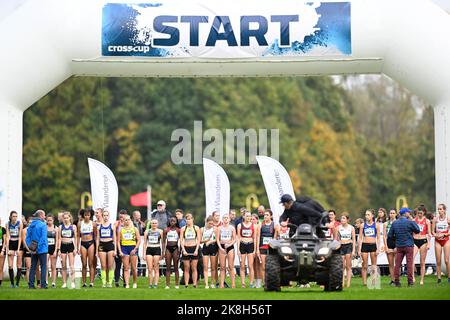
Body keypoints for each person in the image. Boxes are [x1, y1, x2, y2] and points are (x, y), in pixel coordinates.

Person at [387, 207, 420, 287]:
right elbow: (418, 230)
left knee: (397, 264)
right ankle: (410, 282)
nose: (409, 213)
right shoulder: (409, 222)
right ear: (405, 214)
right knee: (409, 264)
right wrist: (413, 220)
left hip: (399, 246)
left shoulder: (395, 223)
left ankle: (397, 282)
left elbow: (390, 235)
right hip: (409, 245)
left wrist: (396, 240)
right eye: (408, 212)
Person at [26, 210, 48, 289]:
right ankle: (43, 285)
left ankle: (31, 285)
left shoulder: (31, 225)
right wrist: (38, 247)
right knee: (43, 267)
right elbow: (43, 238)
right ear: (41, 215)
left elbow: (27, 238)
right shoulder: (43, 225)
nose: (45, 217)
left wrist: (31, 247)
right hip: (42, 249)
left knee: (33, 267)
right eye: (44, 215)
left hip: (33, 250)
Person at [256, 209, 278, 289]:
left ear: (271, 216)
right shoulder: (260, 225)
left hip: (271, 248)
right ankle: (265, 282)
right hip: (262, 247)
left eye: (267, 215)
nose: (265, 216)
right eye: (265, 215)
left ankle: (271, 282)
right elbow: (258, 237)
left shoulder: (274, 225)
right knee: (263, 266)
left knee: (271, 267)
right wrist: (257, 249)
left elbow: (275, 238)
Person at [358, 209, 380, 286]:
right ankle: (364, 283)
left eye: (368, 215)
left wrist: (378, 248)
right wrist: (359, 249)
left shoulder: (376, 225)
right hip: (365, 245)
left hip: (373, 245)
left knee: (374, 265)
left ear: (372, 216)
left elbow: (378, 238)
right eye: (366, 215)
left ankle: (374, 282)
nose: (366, 216)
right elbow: (360, 238)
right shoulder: (362, 225)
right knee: (364, 265)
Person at [118, 214, 141, 288]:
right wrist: (120, 251)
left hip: (132, 248)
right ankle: (127, 284)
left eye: (128, 219)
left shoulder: (134, 229)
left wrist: (135, 249)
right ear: (123, 221)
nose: (127, 221)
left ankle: (134, 282)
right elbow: (118, 242)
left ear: (130, 220)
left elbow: (139, 240)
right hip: (124, 248)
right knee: (126, 268)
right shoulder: (121, 230)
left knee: (134, 268)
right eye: (125, 220)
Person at [77, 208, 97, 287]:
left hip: (91, 243)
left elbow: (95, 236)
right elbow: (78, 236)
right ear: (83, 215)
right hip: (83, 244)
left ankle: (91, 282)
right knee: (84, 264)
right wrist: (77, 247)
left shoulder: (93, 224)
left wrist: (96, 246)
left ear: (91, 216)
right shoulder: (80, 224)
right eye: (85, 215)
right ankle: (84, 282)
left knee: (91, 263)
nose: (87, 217)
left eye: (88, 215)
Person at [96, 210, 116, 288]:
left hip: (110, 245)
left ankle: (109, 282)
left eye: (107, 215)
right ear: (102, 216)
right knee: (103, 265)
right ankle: (104, 283)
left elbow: (114, 238)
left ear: (109, 216)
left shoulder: (112, 226)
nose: (105, 217)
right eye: (104, 215)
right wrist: (97, 250)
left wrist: (115, 250)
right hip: (102, 245)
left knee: (110, 266)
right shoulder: (99, 226)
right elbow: (97, 238)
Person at [412, 204, 432, 285]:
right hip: (415, 240)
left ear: (423, 213)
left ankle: (421, 280)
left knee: (422, 262)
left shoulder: (427, 221)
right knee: (411, 259)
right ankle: (413, 277)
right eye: (418, 213)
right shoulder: (414, 220)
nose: (419, 214)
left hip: (423, 241)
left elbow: (429, 234)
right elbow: (411, 232)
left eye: (420, 213)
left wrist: (429, 244)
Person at [180, 213, 201, 288]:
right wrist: (183, 250)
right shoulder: (183, 228)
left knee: (194, 267)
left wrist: (196, 250)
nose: (188, 221)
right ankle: (186, 284)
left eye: (190, 219)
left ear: (192, 219)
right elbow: (181, 240)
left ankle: (195, 284)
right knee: (186, 268)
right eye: (187, 219)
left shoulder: (196, 228)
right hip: (186, 248)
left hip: (194, 248)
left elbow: (198, 240)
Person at [237, 211, 257, 288]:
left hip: (250, 245)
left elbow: (254, 238)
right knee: (242, 266)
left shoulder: (254, 226)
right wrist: (238, 249)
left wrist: (255, 249)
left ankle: (251, 283)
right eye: (247, 216)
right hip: (242, 244)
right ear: (244, 217)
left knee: (250, 265)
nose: (248, 218)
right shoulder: (239, 225)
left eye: (249, 216)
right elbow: (238, 237)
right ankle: (243, 283)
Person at [431, 203, 450, 283]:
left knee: (446, 260)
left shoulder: (448, 219)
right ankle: (439, 279)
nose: (439, 211)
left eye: (441, 209)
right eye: (438, 209)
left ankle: (449, 277)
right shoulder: (435, 219)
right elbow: (432, 231)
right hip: (438, 241)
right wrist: (436, 235)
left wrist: (445, 234)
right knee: (438, 261)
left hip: (446, 240)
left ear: (444, 210)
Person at [216, 213, 236, 288]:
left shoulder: (232, 228)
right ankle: (221, 284)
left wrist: (230, 244)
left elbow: (234, 239)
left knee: (231, 266)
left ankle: (233, 284)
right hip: (221, 247)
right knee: (222, 267)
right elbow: (217, 239)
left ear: (229, 219)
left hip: (230, 247)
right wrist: (220, 248)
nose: (225, 219)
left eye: (227, 218)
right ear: (222, 219)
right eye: (224, 218)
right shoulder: (219, 228)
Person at [58, 212, 77, 289]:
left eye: (67, 218)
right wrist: (58, 249)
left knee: (71, 265)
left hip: (70, 245)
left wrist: (75, 248)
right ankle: (64, 282)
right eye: (64, 218)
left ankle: (72, 282)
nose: (66, 219)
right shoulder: (60, 227)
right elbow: (59, 238)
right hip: (63, 245)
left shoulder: (73, 227)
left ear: (70, 218)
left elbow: (75, 238)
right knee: (63, 265)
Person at [337, 214, 356, 288]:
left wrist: (354, 250)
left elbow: (354, 239)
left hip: (349, 246)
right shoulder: (338, 228)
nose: (342, 220)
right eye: (341, 218)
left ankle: (348, 284)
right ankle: (342, 282)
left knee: (348, 266)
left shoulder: (351, 228)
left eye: (344, 218)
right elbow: (337, 239)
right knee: (342, 266)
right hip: (341, 246)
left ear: (347, 220)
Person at [144, 219, 163, 288]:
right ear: (150, 224)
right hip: (149, 249)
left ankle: (155, 284)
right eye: (152, 223)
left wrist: (162, 253)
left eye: (155, 223)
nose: (154, 224)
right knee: (149, 268)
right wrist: (144, 253)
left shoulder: (160, 231)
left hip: (157, 249)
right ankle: (150, 284)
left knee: (156, 268)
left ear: (157, 224)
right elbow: (145, 243)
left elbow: (163, 243)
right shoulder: (147, 231)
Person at [162, 216, 181, 289]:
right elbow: (163, 241)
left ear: (176, 222)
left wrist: (180, 251)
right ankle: (167, 285)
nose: (172, 222)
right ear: (169, 222)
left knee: (176, 267)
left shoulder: (178, 230)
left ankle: (176, 284)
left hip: (175, 248)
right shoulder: (166, 230)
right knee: (168, 267)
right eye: (171, 221)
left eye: (174, 221)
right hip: (168, 249)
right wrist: (163, 251)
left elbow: (181, 240)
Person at [6, 211, 23, 288]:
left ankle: (17, 284)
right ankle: (12, 283)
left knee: (19, 264)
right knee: (10, 265)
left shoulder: (20, 224)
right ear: (10, 217)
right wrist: (7, 248)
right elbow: (7, 236)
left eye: (16, 216)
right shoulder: (8, 224)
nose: (15, 218)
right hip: (11, 243)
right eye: (13, 216)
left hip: (18, 243)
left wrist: (18, 249)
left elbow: (20, 237)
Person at [201, 215, 218, 289]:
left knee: (213, 267)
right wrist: (206, 240)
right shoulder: (202, 229)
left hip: (213, 247)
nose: (211, 225)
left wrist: (210, 241)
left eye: (212, 223)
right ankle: (206, 284)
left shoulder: (215, 229)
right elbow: (200, 241)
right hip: (205, 247)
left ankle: (212, 283)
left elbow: (217, 239)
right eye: (210, 223)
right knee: (205, 267)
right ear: (206, 222)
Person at [384, 208, 397, 285]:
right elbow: (384, 236)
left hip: (396, 242)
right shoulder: (386, 223)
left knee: (397, 264)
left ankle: (397, 279)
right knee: (391, 264)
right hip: (389, 242)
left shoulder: (397, 222)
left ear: (396, 214)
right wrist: (386, 247)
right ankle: (392, 280)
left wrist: (398, 246)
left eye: (393, 213)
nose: (392, 214)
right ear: (389, 214)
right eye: (391, 213)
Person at [114, 209, 127, 287]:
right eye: (120, 215)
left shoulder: (128, 223)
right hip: (118, 245)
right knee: (118, 264)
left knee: (125, 265)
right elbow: (114, 235)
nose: (121, 217)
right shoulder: (116, 223)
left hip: (126, 245)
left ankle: (125, 282)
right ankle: (117, 281)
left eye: (123, 215)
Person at [46, 214, 59, 288]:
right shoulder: (45, 228)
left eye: (50, 220)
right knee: (46, 266)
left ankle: (53, 282)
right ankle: (46, 281)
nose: (49, 222)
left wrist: (56, 250)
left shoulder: (56, 228)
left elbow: (57, 240)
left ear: (53, 220)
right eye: (48, 220)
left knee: (53, 266)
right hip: (46, 248)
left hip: (53, 248)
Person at [132, 210, 145, 277]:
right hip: (133, 241)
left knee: (139, 256)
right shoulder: (131, 223)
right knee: (133, 256)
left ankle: (140, 272)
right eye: (137, 215)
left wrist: (144, 227)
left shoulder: (141, 223)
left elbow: (144, 232)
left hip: (141, 240)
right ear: (134, 216)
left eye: (139, 215)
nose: (139, 217)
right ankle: (132, 271)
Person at [0, 218, 6, 287]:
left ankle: (0, 282)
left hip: (1, 249)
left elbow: (5, 241)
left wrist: (2, 250)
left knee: (1, 267)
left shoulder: (3, 229)